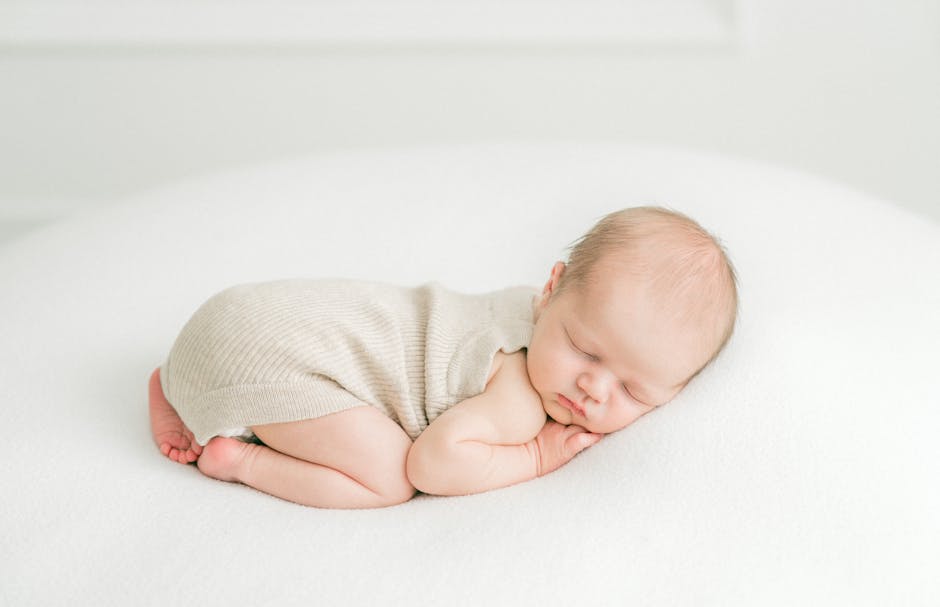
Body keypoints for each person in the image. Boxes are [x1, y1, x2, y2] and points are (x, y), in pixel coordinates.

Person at [148, 206, 738, 509]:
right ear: (551, 290)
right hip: (268, 362)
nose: (592, 389)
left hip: (224, 320)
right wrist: (534, 455)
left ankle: (175, 387)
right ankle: (237, 459)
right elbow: (432, 465)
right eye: (585, 349)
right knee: (386, 478)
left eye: (633, 392)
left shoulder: (521, 305)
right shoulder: (520, 396)